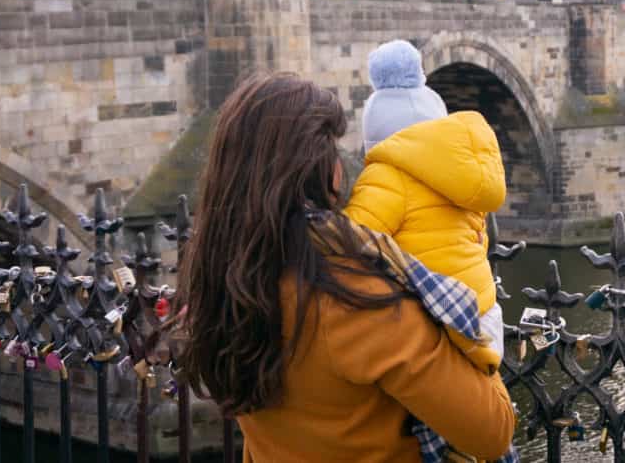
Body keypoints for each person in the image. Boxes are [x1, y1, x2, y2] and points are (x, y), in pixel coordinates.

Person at [175, 73, 515, 462]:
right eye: (333, 150)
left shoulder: (224, 276)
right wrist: (477, 298)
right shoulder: (355, 298)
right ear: (322, 170)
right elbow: (492, 430)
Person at [344, 40, 514, 462]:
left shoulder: (386, 177)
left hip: (441, 318)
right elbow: (477, 237)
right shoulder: (462, 173)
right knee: (478, 413)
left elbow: (353, 241)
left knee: (430, 418)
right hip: (484, 312)